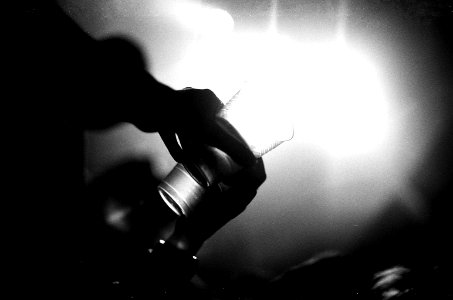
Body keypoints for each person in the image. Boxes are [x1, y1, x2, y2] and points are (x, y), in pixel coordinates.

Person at [10, 2, 266, 299]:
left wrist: (186, 240)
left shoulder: (63, 137)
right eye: (107, 73)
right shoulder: (48, 128)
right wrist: (161, 102)